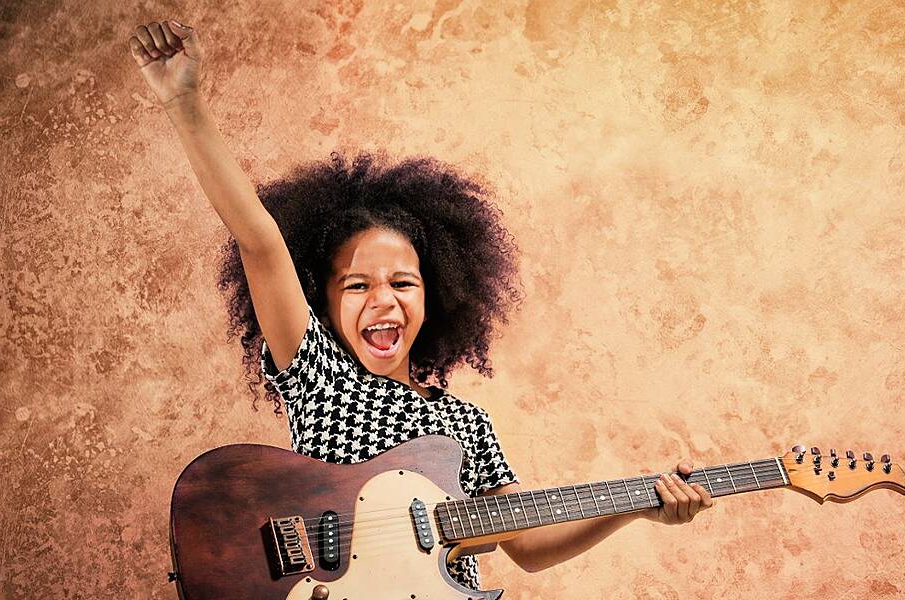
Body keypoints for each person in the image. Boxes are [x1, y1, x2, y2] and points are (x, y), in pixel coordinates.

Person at [129, 18, 714, 591]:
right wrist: (185, 105)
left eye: (403, 283)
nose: (383, 299)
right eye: (357, 285)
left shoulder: (466, 425)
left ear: (436, 298)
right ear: (324, 304)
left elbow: (529, 549)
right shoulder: (318, 376)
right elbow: (258, 240)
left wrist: (637, 505)